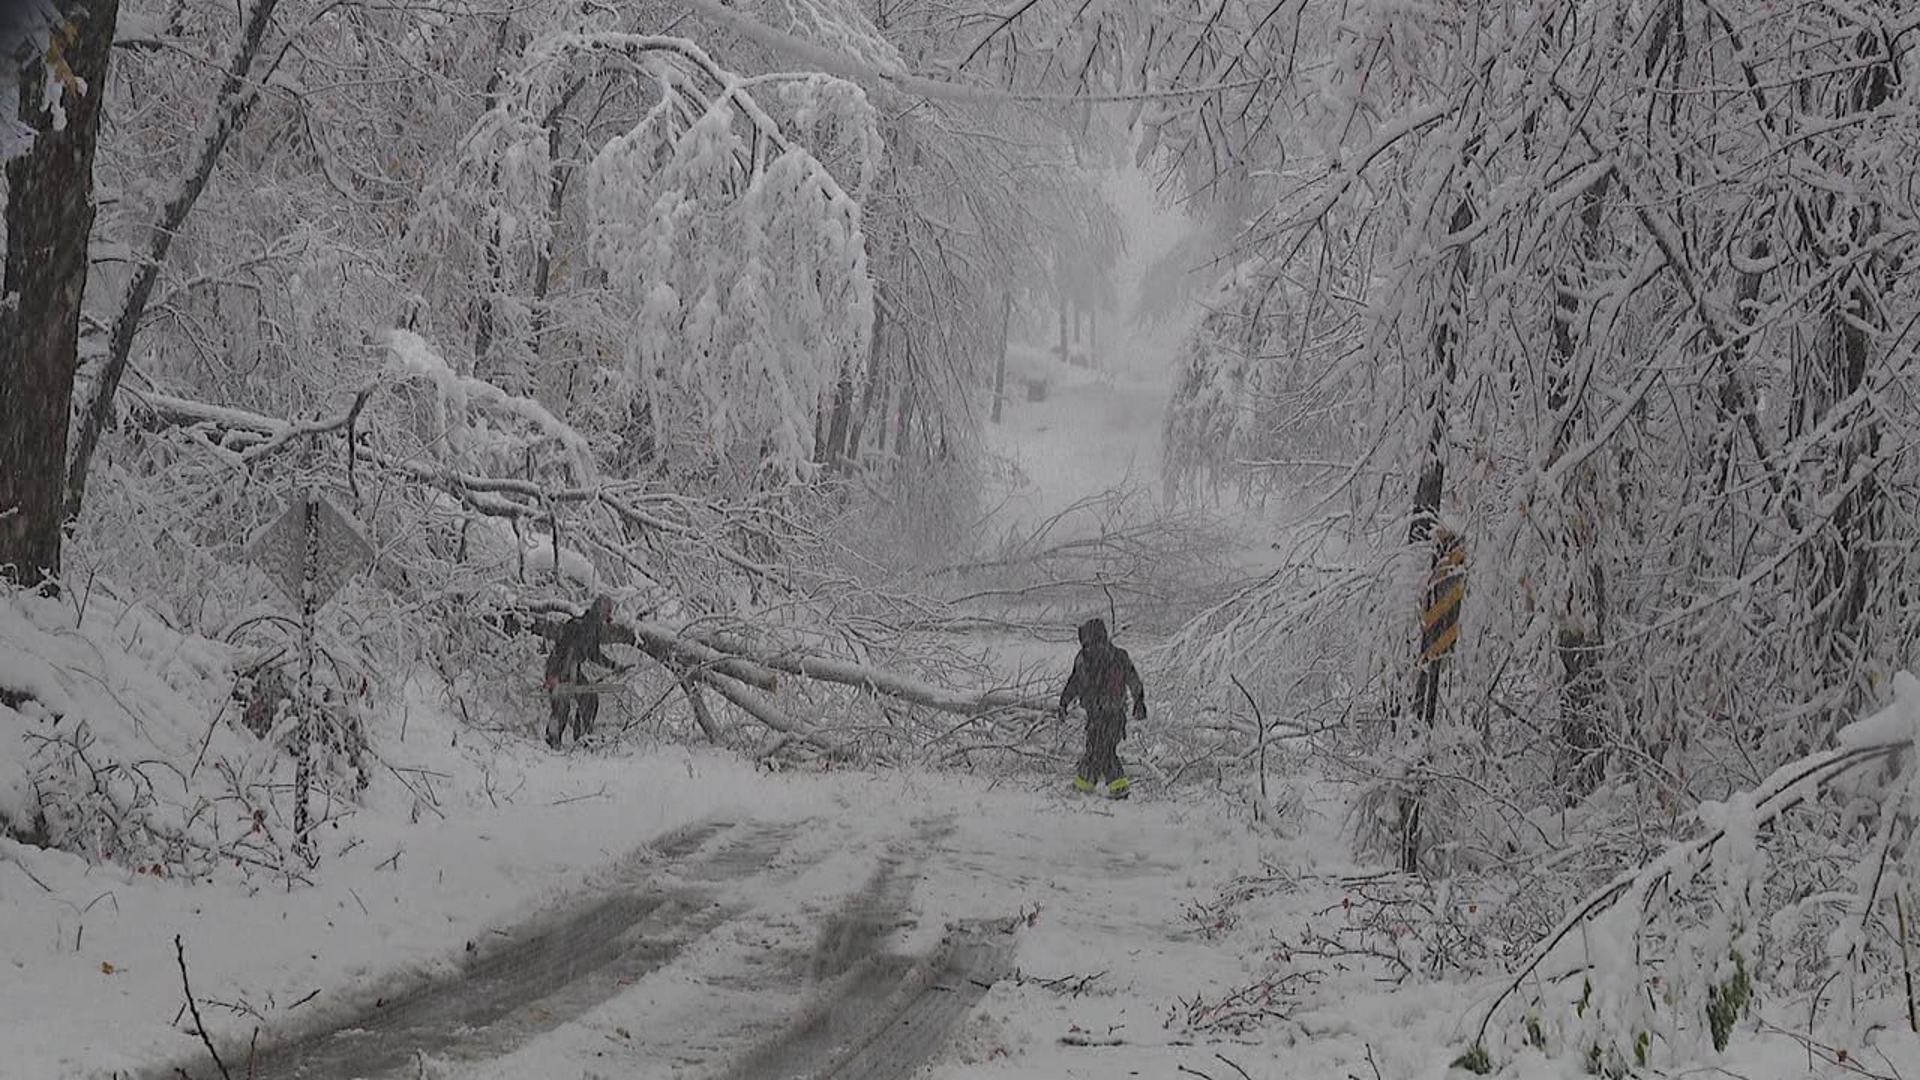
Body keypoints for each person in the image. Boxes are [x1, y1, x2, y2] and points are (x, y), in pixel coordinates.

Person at [1057, 616, 1146, 798]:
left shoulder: (1085, 658)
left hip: (1103, 714)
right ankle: (1089, 786)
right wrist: (1139, 701)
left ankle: (1106, 788)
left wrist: (1064, 702)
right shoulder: (1118, 656)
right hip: (1109, 714)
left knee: (1101, 751)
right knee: (1100, 750)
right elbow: (1133, 680)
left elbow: (1074, 682)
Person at [541, 595, 633, 749]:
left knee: (589, 699)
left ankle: (583, 738)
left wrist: (614, 666)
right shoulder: (578, 625)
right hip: (558, 668)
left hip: (572, 668)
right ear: (599, 611)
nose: (608, 616)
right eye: (607, 611)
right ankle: (552, 743)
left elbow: (594, 654)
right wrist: (556, 676)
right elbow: (563, 650)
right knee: (561, 707)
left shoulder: (594, 628)